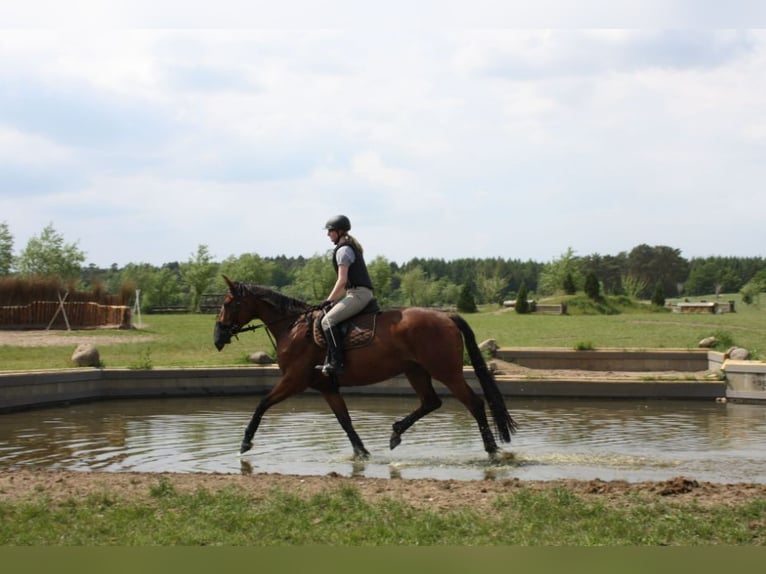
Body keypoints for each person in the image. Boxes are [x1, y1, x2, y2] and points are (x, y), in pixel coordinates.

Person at [317, 215, 375, 376]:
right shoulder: (347, 247)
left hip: (358, 295)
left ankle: (337, 362)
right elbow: (344, 286)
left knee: (327, 321)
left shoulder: (343, 250)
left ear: (339, 231)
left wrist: (328, 300)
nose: (328, 234)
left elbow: (342, 281)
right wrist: (332, 300)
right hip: (355, 293)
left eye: (330, 231)